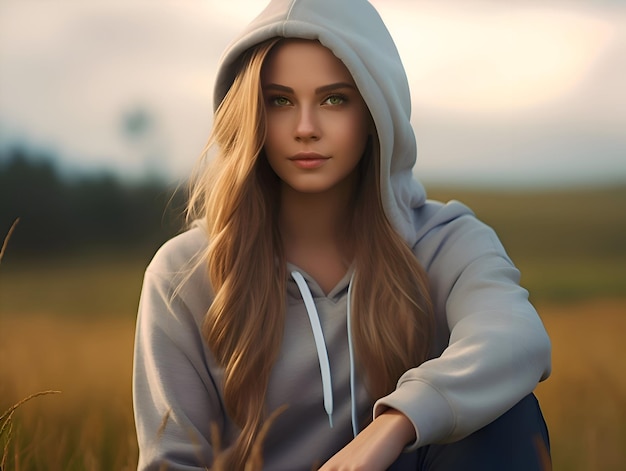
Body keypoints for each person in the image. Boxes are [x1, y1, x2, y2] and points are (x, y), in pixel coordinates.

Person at [132, 0, 552, 469]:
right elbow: (173, 461)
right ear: (251, 114)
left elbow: (517, 339)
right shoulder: (183, 273)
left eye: (334, 99)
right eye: (280, 100)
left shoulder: (443, 243)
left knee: (507, 412)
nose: (306, 128)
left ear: (375, 113)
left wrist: (395, 424)